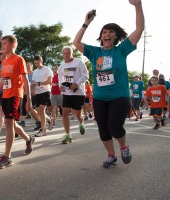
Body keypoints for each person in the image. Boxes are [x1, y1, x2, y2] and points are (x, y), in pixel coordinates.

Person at [73, 0, 144, 168]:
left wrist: (138, 5)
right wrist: (86, 23)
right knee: (103, 130)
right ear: (101, 36)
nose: (107, 34)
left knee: (114, 127)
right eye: (104, 32)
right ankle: (111, 156)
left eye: (110, 32)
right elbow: (76, 42)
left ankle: (124, 147)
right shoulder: (94, 52)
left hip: (119, 96)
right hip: (100, 98)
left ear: (115, 36)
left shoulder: (122, 49)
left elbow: (139, 29)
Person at [0, 35, 35, 169]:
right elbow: (3, 81)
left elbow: (26, 80)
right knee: (12, 123)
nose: (2, 46)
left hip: (15, 94)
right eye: (1, 44)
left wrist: (29, 99)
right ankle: (28, 139)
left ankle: (7, 157)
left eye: (5, 44)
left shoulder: (18, 59)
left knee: (9, 123)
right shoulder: (4, 62)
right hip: (6, 95)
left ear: (13, 45)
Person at [58, 46, 89, 144]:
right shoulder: (62, 65)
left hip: (78, 92)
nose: (66, 55)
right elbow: (60, 77)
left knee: (77, 114)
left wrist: (77, 83)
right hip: (67, 92)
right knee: (65, 112)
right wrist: (60, 86)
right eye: (64, 53)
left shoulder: (79, 62)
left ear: (72, 54)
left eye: (68, 53)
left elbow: (86, 75)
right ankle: (68, 135)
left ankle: (81, 122)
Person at [31, 55, 53, 137]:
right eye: (35, 63)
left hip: (46, 91)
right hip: (38, 93)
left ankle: (43, 130)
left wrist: (39, 83)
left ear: (41, 61)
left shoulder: (47, 69)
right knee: (39, 111)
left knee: (42, 110)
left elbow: (49, 81)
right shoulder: (35, 71)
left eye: (38, 63)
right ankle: (49, 120)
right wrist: (32, 88)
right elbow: (33, 82)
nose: (37, 64)